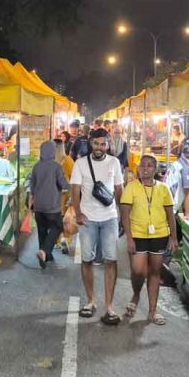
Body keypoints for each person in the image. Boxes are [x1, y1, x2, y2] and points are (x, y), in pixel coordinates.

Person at [70, 128, 124, 324]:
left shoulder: (114, 162)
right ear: (90, 143)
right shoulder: (80, 163)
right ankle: (90, 301)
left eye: (103, 144)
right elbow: (75, 189)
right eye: (96, 143)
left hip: (109, 218)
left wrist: (122, 215)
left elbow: (119, 189)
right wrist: (78, 213)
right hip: (88, 219)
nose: (99, 147)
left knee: (111, 260)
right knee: (87, 259)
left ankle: (109, 306)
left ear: (108, 145)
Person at [120, 154, 178, 325]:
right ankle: (136, 294)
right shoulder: (131, 187)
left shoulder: (163, 189)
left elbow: (170, 214)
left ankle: (153, 311)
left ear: (156, 169)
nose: (145, 168)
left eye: (149, 165)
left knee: (154, 272)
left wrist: (173, 237)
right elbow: (125, 214)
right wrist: (129, 238)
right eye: (142, 165)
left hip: (159, 234)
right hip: (137, 234)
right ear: (138, 168)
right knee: (138, 271)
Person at [30, 141, 69, 268]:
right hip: (52, 205)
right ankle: (44, 251)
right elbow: (63, 184)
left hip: (38, 205)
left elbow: (32, 186)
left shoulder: (36, 167)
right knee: (57, 227)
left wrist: (32, 200)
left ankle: (46, 257)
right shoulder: (56, 166)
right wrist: (70, 185)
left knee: (42, 230)